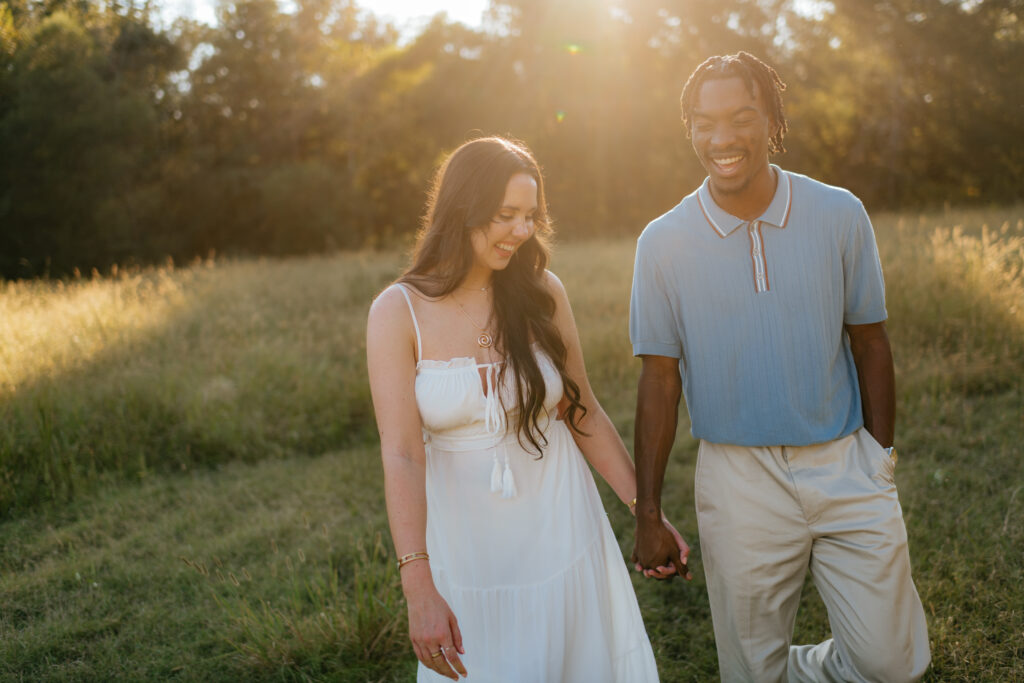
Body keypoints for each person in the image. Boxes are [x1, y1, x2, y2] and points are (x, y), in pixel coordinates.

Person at [629, 52, 931, 682]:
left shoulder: (839, 213)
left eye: (741, 117)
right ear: (688, 127)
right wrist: (649, 514)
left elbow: (870, 340)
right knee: (750, 673)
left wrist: (880, 457)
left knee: (892, 663)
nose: (722, 139)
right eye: (703, 122)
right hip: (738, 479)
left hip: (845, 462)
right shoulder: (662, 242)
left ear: (772, 117)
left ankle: (811, 668)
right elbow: (659, 380)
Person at [367, 136, 684, 682]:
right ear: (461, 209)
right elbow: (401, 454)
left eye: (530, 216)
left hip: (561, 523)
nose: (521, 231)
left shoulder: (542, 293)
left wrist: (646, 513)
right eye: (505, 215)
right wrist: (418, 584)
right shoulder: (398, 312)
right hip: (468, 548)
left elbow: (582, 411)